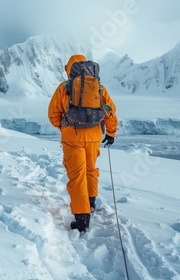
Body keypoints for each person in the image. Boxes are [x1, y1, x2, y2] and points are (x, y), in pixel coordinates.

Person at [48, 54, 118, 233]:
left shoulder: (64, 88)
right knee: (90, 170)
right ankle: (91, 202)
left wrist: (65, 128)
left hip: (73, 138)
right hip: (94, 138)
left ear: (70, 68)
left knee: (77, 176)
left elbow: (53, 114)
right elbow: (110, 111)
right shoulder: (99, 88)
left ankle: (82, 219)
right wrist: (110, 133)